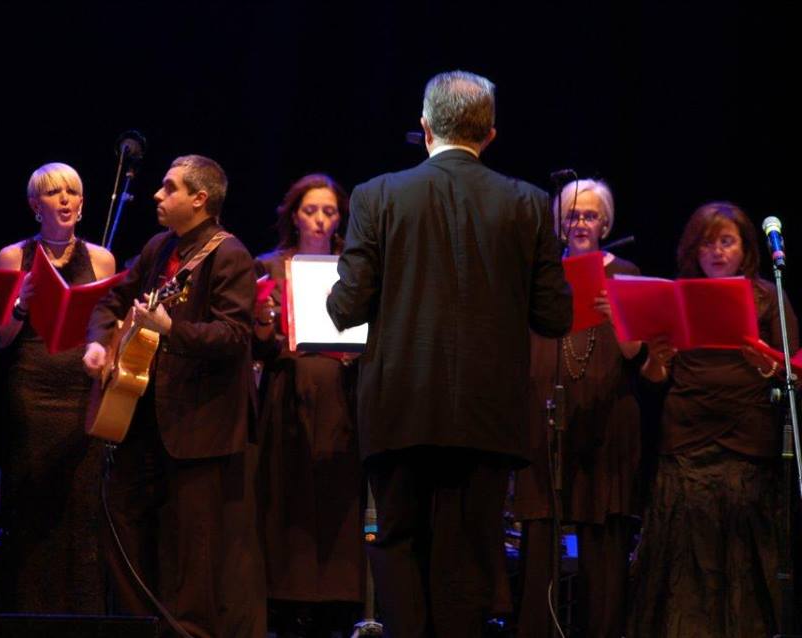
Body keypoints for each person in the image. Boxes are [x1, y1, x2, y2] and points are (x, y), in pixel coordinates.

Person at [325, 71, 573, 637]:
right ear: (490, 133)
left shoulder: (377, 194)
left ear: (425, 127)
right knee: (469, 556)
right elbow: (554, 317)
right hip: (488, 415)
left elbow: (347, 305)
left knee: (397, 542)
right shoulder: (529, 203)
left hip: (399, 406)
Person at [83, 154, 266, 637]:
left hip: (198, 424)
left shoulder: (229, 255)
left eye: (169, 188)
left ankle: (189, 633)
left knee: (191, 546)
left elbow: (233, 337)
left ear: (199, 199)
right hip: (142, 415)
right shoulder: (159, 246)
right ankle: (141, 626)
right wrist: (99, 343)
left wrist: (171, 328)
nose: (157, 195)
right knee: (122, 522)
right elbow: (112, 300)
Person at [626, 202, 797, 637]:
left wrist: (768, 365)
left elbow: (791, 369)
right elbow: (655, 378)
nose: (717, 252)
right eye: (707, 243)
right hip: (686, 438)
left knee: (741, 554)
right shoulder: (676, 296)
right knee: (683, 553)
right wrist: (655, 361)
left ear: (745, 249)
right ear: (693, 250)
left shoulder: (767, 296)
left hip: (747, 439)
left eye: (726, 242)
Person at [513, 179, 642, 637]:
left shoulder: (625, 273)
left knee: (603, 543)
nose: (581, 223)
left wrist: (617, 316)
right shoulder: (541, 273)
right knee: (539, 535)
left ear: (605, 224)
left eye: (590, 215)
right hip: (545, 415)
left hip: (606, 420)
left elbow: (637, 354)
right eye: (572, 215)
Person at [0, 162, 115, 612]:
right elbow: (1, 337)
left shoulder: (101, 259)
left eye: (72, 192)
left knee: (81, 504)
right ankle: (28, 612)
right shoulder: (13, 256)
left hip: (81, 387)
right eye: (52, 193)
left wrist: (101, 349)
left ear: (81, 204)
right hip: (32, 385)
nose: (64, 199)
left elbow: (107, 325)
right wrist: (21, 306)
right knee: (32, 498)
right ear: (34, 204)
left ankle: (81, 614)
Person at [253, 174, 364, 637]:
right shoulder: (269, 266)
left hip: (340, 393)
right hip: (288, 392)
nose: (320, 219)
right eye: (311, 210)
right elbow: (257, 344)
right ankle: (286, 598)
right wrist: (266, 326)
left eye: (329, 211)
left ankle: (337, 601)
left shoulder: (354, 267)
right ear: (294, 215)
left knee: (338, 495)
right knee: (287, 493)